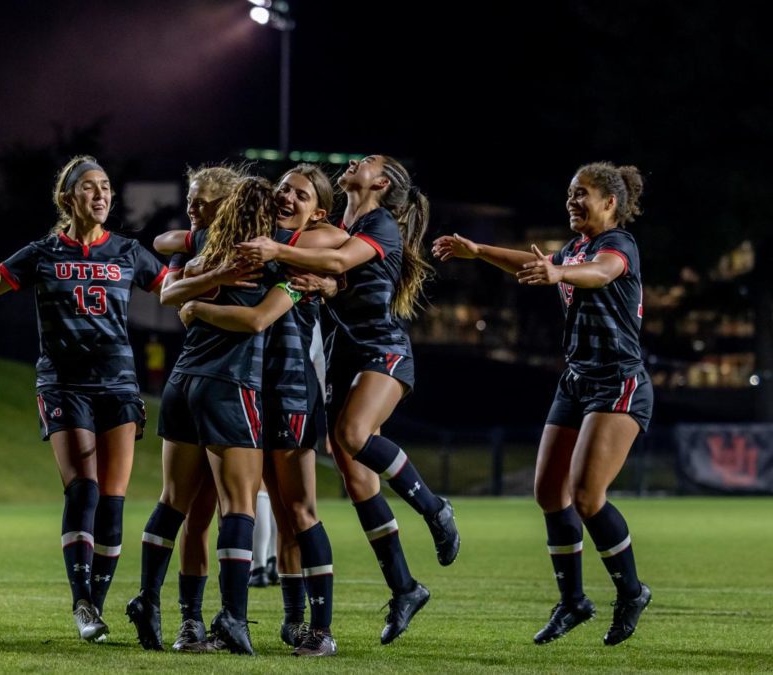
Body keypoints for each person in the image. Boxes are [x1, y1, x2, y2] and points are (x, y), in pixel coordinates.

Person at [0, 156, 168, 642]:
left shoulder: (128, 252)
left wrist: (231, 282)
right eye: (89, 187)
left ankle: (97, 606)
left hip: (118, 384)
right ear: (68, 198)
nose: (101, 195)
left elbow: (176, 289)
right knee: (84, 490)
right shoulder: (43, 253)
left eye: (106, 186)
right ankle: (82, 603)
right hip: (63, 384)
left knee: (113, 503)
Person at [238, 155, 459, 645]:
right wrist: (328, 285)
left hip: (383, 348)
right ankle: (404, 587)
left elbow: (339, 262)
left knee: (353, 434)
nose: (355, 161)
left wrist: (282, 251)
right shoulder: (343, 225)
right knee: (355, 474)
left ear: (380, 183)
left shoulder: (379, 224)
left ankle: (434, 507)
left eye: (367, 162)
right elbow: (338, 274)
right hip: (343, 356)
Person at [431, 161, 653, 646]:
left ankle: (632, 592)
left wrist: (559, 272)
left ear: (610, 202)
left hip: (617, 381)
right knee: (550, 493)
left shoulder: (618, 244)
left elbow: (602, 272)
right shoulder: (574, 249)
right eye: (570, 192)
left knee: (587, 497)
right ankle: (573, 602)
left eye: (583, 193)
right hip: (576, 381)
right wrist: (478, 251)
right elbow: (533, 264)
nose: (572, 200)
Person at [130, 176, 306, 655]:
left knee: (174, 503)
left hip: (182, 384)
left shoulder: (205, 245)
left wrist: (199, 297)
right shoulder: (275, 255)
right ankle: (232, 616)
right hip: (230, 386)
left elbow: (170, 287)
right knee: (240, 506)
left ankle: (151, 601)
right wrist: (313, 281)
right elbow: (258, 318)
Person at [177, 164, 346, 656]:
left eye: (301, 195)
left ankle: (320, 630)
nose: (287, 197)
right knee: (256, 506)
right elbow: (176, 241)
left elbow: (339, 254)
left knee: (299, 510)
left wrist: (198, 307)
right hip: (249, 392)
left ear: (318, 213)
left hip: (290, 392)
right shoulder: (258, 245)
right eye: (284, 189)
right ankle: (268, 621)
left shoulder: (306, 252)